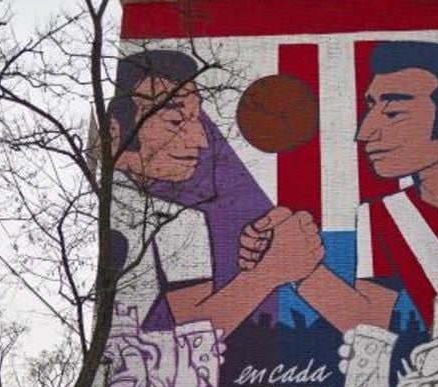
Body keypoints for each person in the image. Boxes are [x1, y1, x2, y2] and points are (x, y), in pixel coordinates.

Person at [240, 41, 438, 333]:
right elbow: (370, 323)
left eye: (393, 113)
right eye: (371, 107)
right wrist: (294, 265)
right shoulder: (384, 214)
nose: (364, 132)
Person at [108, 50, 319, 337]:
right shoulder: (104, 212)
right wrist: (268, 273)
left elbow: (193, 347)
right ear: (114, 133)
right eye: (174, 121)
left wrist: (269, 269)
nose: (201, 140)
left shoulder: (185, 223)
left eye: (197, 119)